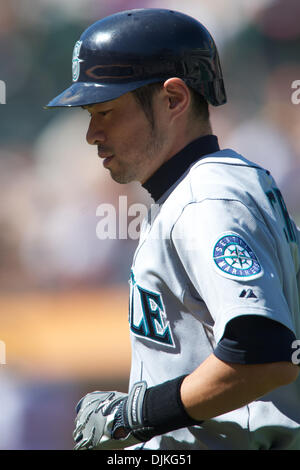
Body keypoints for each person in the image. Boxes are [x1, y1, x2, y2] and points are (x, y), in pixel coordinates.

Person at [45, 9, 300, 451]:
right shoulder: (218, 184)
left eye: (106, 111)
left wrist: (135, 415)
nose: (91, 134)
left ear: (173, 100)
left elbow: (264, 352)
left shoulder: (206, 199)